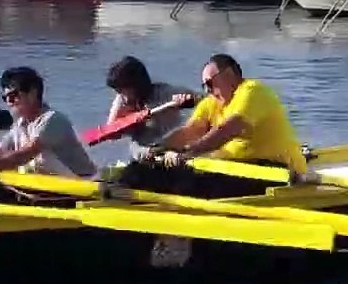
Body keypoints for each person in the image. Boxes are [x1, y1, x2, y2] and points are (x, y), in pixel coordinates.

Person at [116, 53, 307, 198]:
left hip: (276, 171)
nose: (207, 90)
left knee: (191, 182)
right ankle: (120, 195)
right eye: (204, 85)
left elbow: (227, 130)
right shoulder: (212, 102)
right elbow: (190, 131)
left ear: (230, 75)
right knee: (141, 170)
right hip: (235, 168)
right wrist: (158, 149)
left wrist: (187, 153)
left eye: (210, 83)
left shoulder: (252, 92)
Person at [0, 66, 97, 179]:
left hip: (84, 186)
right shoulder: (20, 124)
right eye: (4, 97)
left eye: (13, 96)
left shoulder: (52, 120)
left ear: (33, 93)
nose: (8, 102)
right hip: (54, 188)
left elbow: (22, 156)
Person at [103, 56, 197, 161]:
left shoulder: (165, 93)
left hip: (171, 153)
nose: (119, 95)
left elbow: (202, 99)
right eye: (117, 91)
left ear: (136, 85)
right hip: (143, 155)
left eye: (121, 90)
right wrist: (132, 124)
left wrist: (185, 100)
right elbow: (110, 134)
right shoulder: (121, 100)